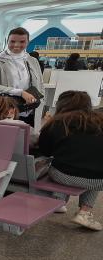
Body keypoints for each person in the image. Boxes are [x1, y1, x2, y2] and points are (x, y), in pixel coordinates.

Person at [39, 91, 103, 231]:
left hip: (61, 175)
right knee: (94, 171)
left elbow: (45, 152)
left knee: (60, 162)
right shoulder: (100, 121)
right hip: (98, 180)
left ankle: (58, 200)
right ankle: (84, 213)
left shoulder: (56, 123)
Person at [0, 27, 44, 128]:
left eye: (22, 41)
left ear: (28, 42)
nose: (17, 45)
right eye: (12, 41)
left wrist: (39, 97)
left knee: (25, 139)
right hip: (3, 111)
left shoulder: (32, 61)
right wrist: (21, 93)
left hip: (29, 109)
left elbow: (40, 82)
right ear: (7, 41)